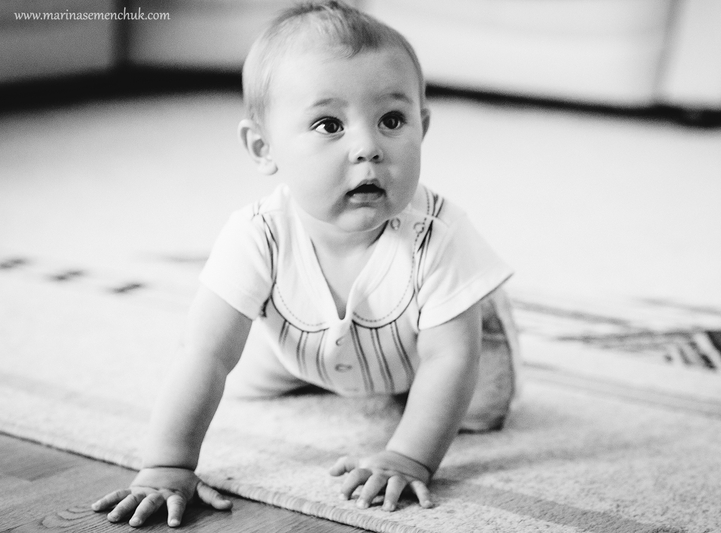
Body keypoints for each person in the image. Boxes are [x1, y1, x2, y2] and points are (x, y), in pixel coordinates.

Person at [92, 1, 518, 528]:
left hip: (425, 344)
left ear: (422, 127)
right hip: (305, 341)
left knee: (480, 404)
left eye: (391, 120)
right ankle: (324, 364)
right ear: (263, 147)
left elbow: (449, 359)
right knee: (239, 369)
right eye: (329, 124)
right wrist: (167, 466)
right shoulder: (258, 235)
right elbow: (204, 353)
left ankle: (477, 318)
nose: (368, 147)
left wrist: (408, 457)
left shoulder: (438, 234)